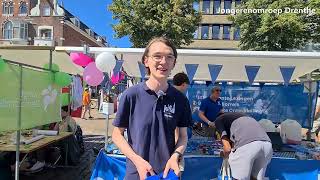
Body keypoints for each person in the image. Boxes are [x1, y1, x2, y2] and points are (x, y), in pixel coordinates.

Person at [112, 37, 191, 180]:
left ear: (174, 63)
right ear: (146, 61)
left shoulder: (180, 100)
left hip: (167, 174)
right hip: (137, 173)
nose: (163, 61)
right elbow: (117, 134)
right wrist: (137, 161)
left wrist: (176, 156)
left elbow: (183, 136)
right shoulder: (131, 95)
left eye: (169, 57)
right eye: (157, 56)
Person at [215, 112, 273, 180]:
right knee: (255, 178)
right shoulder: (245, 117)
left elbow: (227, 149)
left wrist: (222, 154)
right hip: (267, 145)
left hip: (248, 146)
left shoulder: (218, 120)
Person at [172, 72, 191, 176]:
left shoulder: (161, 94)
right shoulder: (182, 100)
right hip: (175, 145)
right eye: (187, 86)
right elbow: (180, 128)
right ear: (184, 84)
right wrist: (178, 150)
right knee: (176, 172)